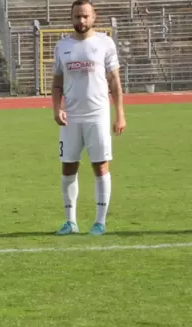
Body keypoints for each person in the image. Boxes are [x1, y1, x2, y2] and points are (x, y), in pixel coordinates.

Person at [52, 0, 126, 236]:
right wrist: (56, 109)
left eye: (85, 16)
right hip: (71, 116)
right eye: (77, 17)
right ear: (71, 17)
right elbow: (57, 83)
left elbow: (115, 81)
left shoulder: (105, 43)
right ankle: (70, 222)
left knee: (100, 165)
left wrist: (119, 115)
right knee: (68, 167)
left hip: (98, 115)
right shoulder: (62, 46)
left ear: (94, 16)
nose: (81, 21)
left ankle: (99, 222)